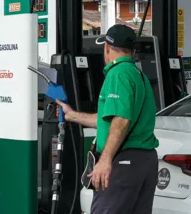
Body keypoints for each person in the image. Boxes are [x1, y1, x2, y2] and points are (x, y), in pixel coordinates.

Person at [56, 24, 159, 214]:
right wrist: (72, 115)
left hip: (123, 162)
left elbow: (121, 121)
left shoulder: (117, 74)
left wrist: (105, 160)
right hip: (144, 161)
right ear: (132, 50)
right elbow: (109, 121)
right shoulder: (139, 75)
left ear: (107, 47)